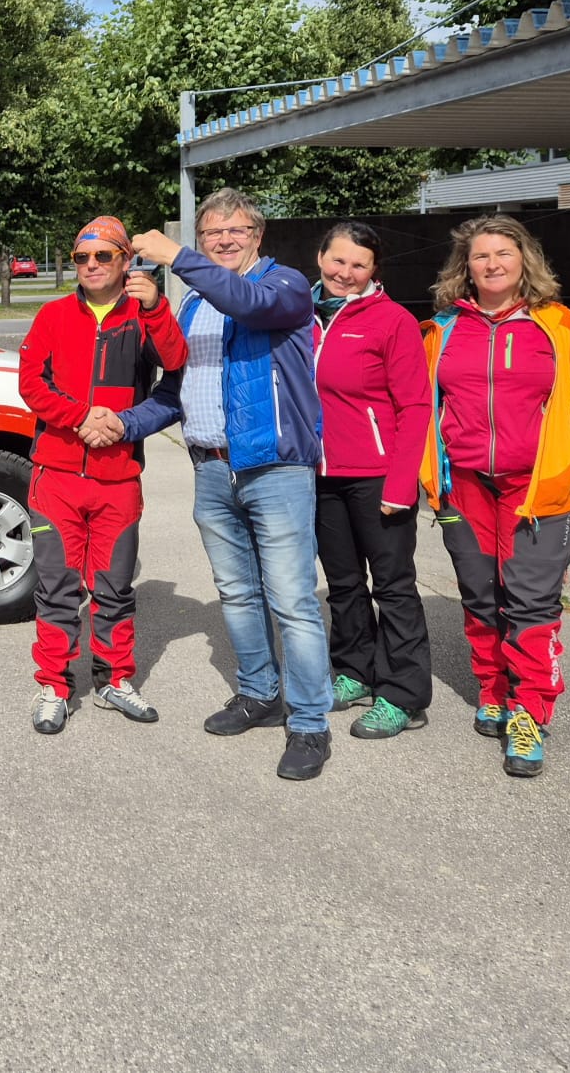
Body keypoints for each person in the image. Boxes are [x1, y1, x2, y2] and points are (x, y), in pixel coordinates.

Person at [126, 189, 336, 782]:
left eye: (235, 230)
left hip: (274, 468)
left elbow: (247, 303)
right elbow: (177, 390)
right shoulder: (195, 306)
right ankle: (258, 693)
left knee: (292, 600)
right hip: (211, 468)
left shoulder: (284, 287)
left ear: (257, 236)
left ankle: (309, 723)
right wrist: (124, 423)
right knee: (236, 593)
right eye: (212, 232)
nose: (223, 239)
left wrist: (177, 255)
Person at [422, 215, 570, 778]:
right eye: (481, 256)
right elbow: (424, 401)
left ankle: (530, 710)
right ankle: (492, 690)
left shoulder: (558, 324)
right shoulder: (445, 327)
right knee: (480, 595)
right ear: (466, 267)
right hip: (467, 486)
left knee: (529, 601)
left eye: (504, 253)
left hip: (537, 488)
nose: (493, 263)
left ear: (525, 259)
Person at [18, 216, 187, 735]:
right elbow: (30, 383)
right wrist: (80, 417)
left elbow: (177, 367)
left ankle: (114, 680)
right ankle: (54, 685)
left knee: (114, 588)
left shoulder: (144, 313)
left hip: (118, 479)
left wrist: (157, 307)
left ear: (124, 260)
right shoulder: (52, 315)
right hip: (57, 476)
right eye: (82, 258)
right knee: (56, 588)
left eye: (103, 256)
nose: (91, 265)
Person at [310, 222, 433, 740]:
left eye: (359, 265)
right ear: (320, 258)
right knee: (342, 585)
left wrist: (401, 484)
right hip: (319, 475)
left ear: (373, 271)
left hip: (378, 476)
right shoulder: (300, 316)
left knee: (394, 587)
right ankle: (355, 671)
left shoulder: (392, 321)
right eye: (338, 261)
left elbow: (416, 405)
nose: (346, 273)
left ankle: (404, 695)